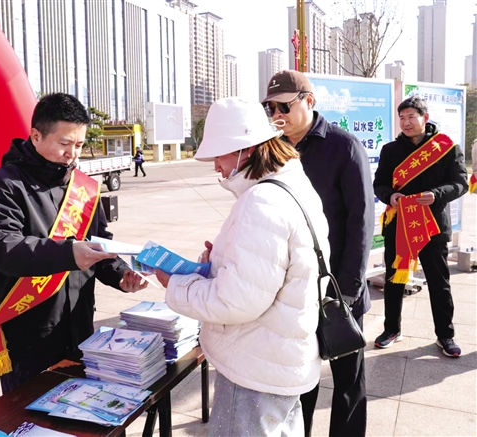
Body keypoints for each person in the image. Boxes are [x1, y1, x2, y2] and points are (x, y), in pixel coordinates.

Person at [155, 97, 330, 436]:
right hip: (278, 358)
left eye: (218, 155)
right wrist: (219, 261)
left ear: (245, 149)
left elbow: (235, 301)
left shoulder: (262, 201)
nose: (216, 167)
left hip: (255, 369)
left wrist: (174, 284)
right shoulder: (293, 184)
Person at [0, 93, 147, 393]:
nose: (72, 154)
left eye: (79, 145)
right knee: (30, 416)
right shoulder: (5, 184)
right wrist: (68, 253)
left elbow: (100, 245)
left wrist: (121, 275)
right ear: (36, 136)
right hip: (29, 339)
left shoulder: (84, 188)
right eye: (65, 143)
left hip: (80, 331)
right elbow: (1, 245)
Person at [262, 70, 374, 437]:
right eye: (269, 107)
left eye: (283, 106)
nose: (276, 114)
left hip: (338, 290)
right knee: (298, 382)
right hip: (294, 290)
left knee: (348, 383)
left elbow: (361, 222)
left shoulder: (344, 146)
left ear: (308, 101)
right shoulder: (273, 150)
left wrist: (348, 292)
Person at [373, 96, 468, 357]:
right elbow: (379, 184)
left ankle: (445, 335)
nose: (406, 122)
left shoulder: (447, 148)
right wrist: (390, 195)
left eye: (411, 117)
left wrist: (436, 194)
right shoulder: (390, 150)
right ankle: (392, 329)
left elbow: (460, 184)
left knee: (439, 282)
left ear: (425, 118)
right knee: (394, 279)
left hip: (432, 226)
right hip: (399, 225)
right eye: (402, 118)